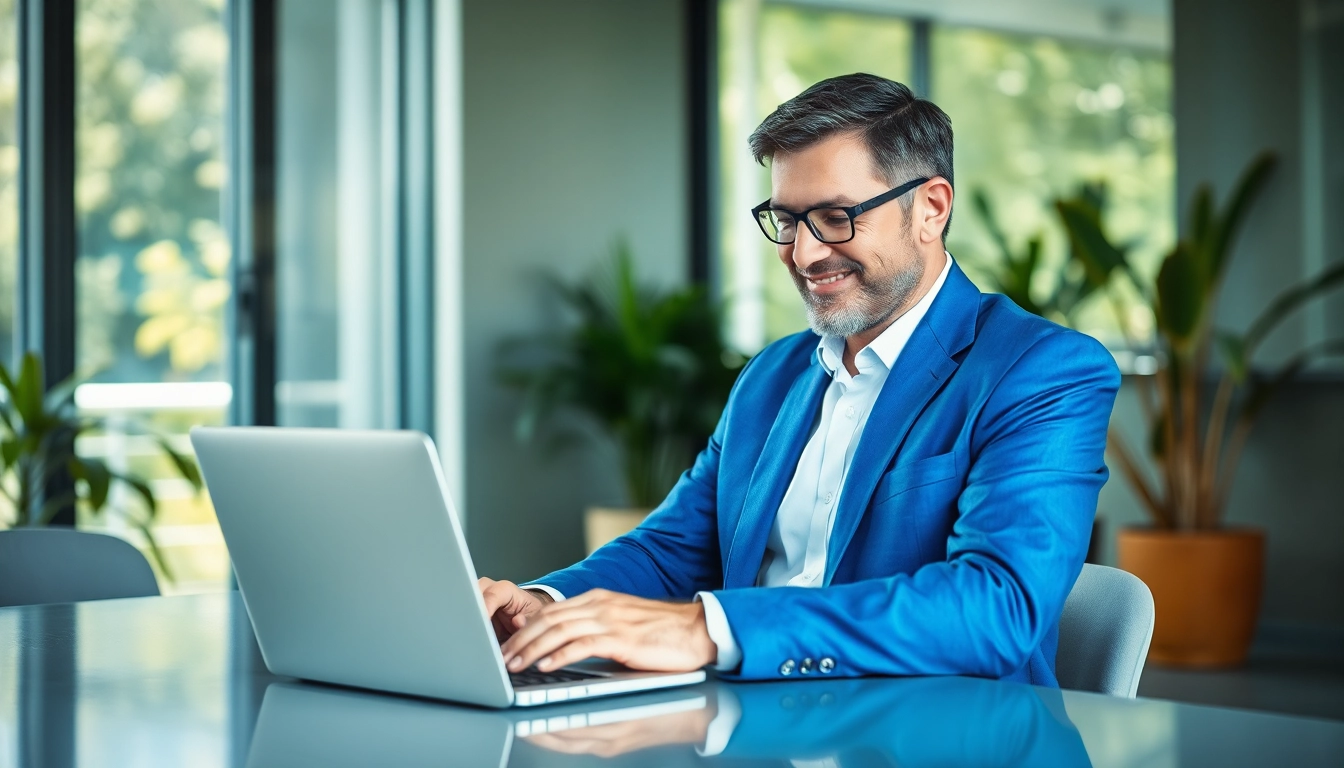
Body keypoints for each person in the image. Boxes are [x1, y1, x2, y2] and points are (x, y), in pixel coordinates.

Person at [479, 72, 1119, 686]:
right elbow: (675, 547)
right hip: (753, 729)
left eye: (837, 217)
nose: (806, 253)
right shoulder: (772, 376)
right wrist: (549, 604)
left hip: (937, 737)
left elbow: (996, 606)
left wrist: (711, 630)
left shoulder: (1042, 371)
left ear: (930, 208)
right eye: (787, 220)